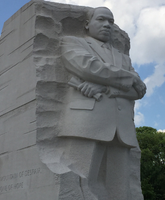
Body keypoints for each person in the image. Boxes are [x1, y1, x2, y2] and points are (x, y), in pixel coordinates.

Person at [58, 7, 146, 200]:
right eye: (101, 20)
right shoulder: (73, 42)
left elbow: (139, 91)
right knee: (80, 185)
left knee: (121, 190)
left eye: (111, 22)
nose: (107, 25)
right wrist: (129, 77)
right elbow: (89, 67)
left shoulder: (123, 58)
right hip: (88, 122)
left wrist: (107, 89)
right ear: (87, 24)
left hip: (122, 128)